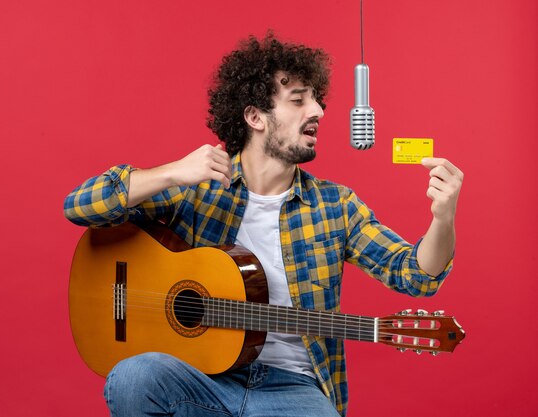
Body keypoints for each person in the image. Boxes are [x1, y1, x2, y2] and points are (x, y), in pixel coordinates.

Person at [64, 33, 463, 417]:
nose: (319, 112)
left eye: (317, 100)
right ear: (255, 116)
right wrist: (170, 174)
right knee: (134, 377)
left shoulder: (335, 205)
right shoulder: (196, 189)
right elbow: (81, 206)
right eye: (298, 100)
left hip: (293, 388)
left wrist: (443, 218)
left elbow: (416, 276)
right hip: (201, 378)